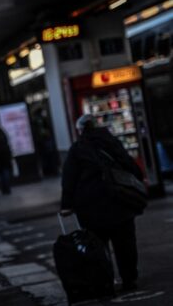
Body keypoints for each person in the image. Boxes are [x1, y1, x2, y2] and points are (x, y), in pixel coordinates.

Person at [61, 114, 143, 291]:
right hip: (120, 201)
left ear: (81, 130)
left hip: (91, 208)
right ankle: (129, 279)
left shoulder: (77, 149)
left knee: (98, 247)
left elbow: (69, 179)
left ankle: (106, 282)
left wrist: (66, 205)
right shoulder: (111, 142)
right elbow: (129, 164)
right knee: (125, 244)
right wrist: (139, 180)